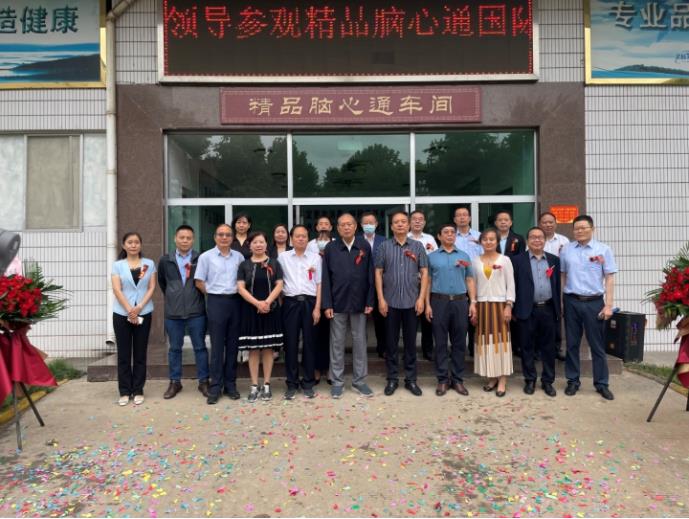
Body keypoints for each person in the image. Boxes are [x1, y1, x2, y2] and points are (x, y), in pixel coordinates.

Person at [560, 215, 618, 400]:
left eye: (583, 228)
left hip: (594, 302)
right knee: (572, 344)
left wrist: (608, 305)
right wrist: (562, 302)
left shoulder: (603, 249)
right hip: (572, 301)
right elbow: (563, 276)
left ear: (592, 229)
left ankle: (601, 383)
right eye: (576, 228)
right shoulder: (566, 250)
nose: (579, 231)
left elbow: (609, 277)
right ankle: (573, 381)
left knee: (597, 345)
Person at [321, 213, 375, 398]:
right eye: (342, 225)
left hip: (360, 302)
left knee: (360, 342)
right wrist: (327, 304)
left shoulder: (364, 246)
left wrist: (370, 300)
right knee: (337, 343)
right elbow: (325, 277)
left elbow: (370, 275)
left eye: (349, 224)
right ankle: (337, 382)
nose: (346, 227)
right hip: (337, 302)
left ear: (355, 227)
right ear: (337, 228)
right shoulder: (331, 248)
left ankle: (360, 381)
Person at [375, 211, 429, 397]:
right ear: (391, 226)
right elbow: (378, 273)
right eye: (396, 222)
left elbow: (424, 272)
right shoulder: (384, 247)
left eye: (403, 222)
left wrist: (421, 298)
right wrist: (381, 299)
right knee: (391, 344)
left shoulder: (418, 246)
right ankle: (392, 379)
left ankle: (411, 379)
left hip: (412, 302)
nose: (400, 224)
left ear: (408, 225)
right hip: (390, 303)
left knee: (410, 343)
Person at [194, 223, 245, 404]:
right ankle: (215, 386)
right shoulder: (206, 257)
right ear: (215, 237)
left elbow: (243, 280)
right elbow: (199, 281)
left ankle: (230, 385)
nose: (224, 238)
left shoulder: (238, 257)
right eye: (221, 234)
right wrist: (212, 293)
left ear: (232, 238)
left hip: (235, 301)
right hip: (216, 302)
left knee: (233, 345)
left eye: (228, 235)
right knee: (217, 346)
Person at [157, 224, 209, 399]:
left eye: (188, 238)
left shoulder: (200, 258)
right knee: (174, 349)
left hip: (196, 312)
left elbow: (204, 282)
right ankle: (175, 382)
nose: (185, 241)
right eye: (182, 237)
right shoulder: (165, 260)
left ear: (193, 240)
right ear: (175, 239)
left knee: (200, 347)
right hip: (173, 313)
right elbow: (163, 283)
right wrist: (175, 296)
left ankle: (203, 381)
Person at [425, 223, 476, 397]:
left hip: (461, 302)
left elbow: (470, 280)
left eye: (452, 232)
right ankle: (442, 380)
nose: (449, 235)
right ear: (439, 236)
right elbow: (427, 282)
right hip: (439, 302)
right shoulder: (432, 257)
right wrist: (427, 304)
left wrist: (473, 302)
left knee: (459, 342)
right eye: (445, 232)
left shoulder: (464, 255)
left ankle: (457, 379)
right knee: (440, 343)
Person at [511, 227, 561, 397]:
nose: (537, 240)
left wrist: (558, 308)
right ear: (527, 240)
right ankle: (530, 379)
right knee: (527, 347)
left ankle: (547, 381)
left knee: (549, 348)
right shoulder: (517, 260)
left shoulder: (554, 260)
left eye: (540, 237)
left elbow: (557, 285)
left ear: (544, 240)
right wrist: (513, 308)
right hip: (526, 309)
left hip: (548, 308)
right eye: (533, 237)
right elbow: (513, 285)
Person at [236, 231, 284, 402]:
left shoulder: (275, 263)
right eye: (255, 242)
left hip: (271, 310)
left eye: (261, 242)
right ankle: (254, 385)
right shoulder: (244, 265)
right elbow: (240, 288)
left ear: (266, 244)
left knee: (268, 349)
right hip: (250, 310)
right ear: (250, 245)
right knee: (254, 349)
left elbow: (280, 284)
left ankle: (267, 384)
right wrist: (257, 303)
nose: (258, 245)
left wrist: (267, 302)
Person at [111, 232, 157, 406]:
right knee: (123, 354)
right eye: (129, 242)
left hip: (143, 312)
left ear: (140, 245)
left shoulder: (148, 264)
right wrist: (130, 310)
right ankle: (124, 391)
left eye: (136, 242)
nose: (133, 245)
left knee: (140, 353)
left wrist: (139, 308)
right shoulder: (118, 265)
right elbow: (117, 289)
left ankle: (138, 389)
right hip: (122, 313)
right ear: (124, 245)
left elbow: (151, 287)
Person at [278, 225, 322, 400]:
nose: (301, 239)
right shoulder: (283, 257)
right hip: (290, 303)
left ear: (308, 238)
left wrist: (317, 308)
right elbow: (278, 282)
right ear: (291, 238)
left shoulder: (315, 257)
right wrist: (282, 303)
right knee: (290, 344)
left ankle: (308, 382)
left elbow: (319, 284)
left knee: (310, 344)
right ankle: (291, 383)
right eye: (297, 236)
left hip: (310, 303)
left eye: (304, 236)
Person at [471, 228, 515, 397]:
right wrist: (474, 304)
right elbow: (473, 284)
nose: (488, 242)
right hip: (482, 305)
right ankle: (492, 378)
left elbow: (511, 284)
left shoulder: (505, 260)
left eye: (492, 239)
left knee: (500, 343)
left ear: (497, 242)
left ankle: (502, 379)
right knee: (485, 343)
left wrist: (509, 305)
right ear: (480, 242)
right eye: (485, 239)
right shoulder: (475, 261)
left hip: (500, 305)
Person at [539, 211, 569, 361]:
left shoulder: (564, 241)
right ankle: (539, 349)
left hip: (558, 280)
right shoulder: (536, 239)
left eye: (551, 222)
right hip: (540, 281)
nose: (548, 225)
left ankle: (557, 347)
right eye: (544, 222)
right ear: (540, 224)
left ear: (555, 224)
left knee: (557, 315)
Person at [453, 206, 482, 357]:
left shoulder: (479, 237)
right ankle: (458, 349)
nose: (462, 217)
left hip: (476, 282)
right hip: (457, 281)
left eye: (465, 215)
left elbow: (485, 256)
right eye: (459, 215)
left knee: (474, 315)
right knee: (458, 318)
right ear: (454, 219)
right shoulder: (451, 236)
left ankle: (473, 348)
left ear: (470, 218)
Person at [408, 210, 437, 361]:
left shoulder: (430, 239)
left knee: (427, 318)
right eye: (414, 219)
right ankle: (409, 351)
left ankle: (428, 350)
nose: (417, 221)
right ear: (409, 222)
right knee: (410, 319)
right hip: (409, 283)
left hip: (426, 283)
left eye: (421, 219)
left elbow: (435, 258)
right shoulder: (405, 238)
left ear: (424, 222)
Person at [360, 211, 387, 359]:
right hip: (361, 285)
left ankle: (382, 348)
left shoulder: (384, 241)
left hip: (380, 285)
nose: (368, 225)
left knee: (381, 318)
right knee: (360, 319)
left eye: (371, 223)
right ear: (361, 225)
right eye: (366, 223)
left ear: (376, 224)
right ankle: (360, 350)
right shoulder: (356, 241)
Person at [313, 228, 331, 384]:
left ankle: (331, 370)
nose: (322, 242)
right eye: (320, 240)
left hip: (332, 301)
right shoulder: (312, 256)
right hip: (315, 301)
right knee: (315, 336)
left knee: (331, 337)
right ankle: (316, 369)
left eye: (326, 240)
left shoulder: (334, 255)